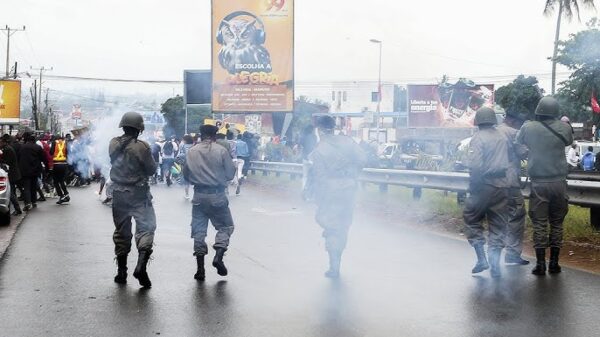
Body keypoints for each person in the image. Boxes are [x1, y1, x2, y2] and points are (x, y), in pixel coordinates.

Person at [517, 96, 573, 276]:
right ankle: (555, 264)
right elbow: (569, 142)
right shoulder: (564, 127)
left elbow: (518, 145)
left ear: (538, 110)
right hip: (559, 183)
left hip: (539, 183)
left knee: (540, 223)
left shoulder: (528, 127)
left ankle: (540, 265)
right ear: (556, 112)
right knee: (557, 223)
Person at [307, 116, 366, 278]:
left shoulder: (319, 150)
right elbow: (362, 159)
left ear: (319, 130)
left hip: (331, 192)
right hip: (350, 189)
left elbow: (320, 178)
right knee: (344, 225)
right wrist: (351, 173)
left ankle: (334, 265)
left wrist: (319, 200)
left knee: (331, 226)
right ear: (333, 127)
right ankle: (337, 258)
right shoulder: (348, 141)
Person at [109, 112, 158, 288]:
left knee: (122, 232)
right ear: (139, 129)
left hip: (118, 193)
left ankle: (121, 272)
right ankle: (140, 267)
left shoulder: (113, 143)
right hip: (138, 193)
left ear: (123, 126)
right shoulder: (142, 147)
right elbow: (151, 169)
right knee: (146, 228)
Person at [183, 125, 236, 281]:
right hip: (217, 195)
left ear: (201, 135)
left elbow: (185, 173)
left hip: (198, 196)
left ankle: (200, 270)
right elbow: (230, 173)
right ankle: (218, 255)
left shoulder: (191, 151)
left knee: (199, 231)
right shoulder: (221, 150)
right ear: (214, 136)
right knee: (225, 226)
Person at [463, 107, 510, 278]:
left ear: (478, 121)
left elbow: (475, 166)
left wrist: (473, 188)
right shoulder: (502, 137)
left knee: (471, 217)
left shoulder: (478, 138)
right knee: (498, 223)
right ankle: (495, 264)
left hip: (484, 185)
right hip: (502, 185)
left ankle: (482, 258)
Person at [496, 111, 529, 266]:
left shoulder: (493, 131)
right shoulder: (513, 133)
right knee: (517, 214)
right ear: (513, 120)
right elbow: (523, 152)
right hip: (508, 182)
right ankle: (512, 253)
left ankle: (493, 254)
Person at [18, 133, 48, 211]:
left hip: (24, 170)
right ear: (34, 140)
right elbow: (43, 158)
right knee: (33, 187)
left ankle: (28, 203)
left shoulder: (22, 147)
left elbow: (18, 158)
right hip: (35, 170)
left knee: (26, 187)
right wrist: (46, 168)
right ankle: (34, 202)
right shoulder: (38, 147)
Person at [0, 135, 22, 215]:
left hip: (12, 174)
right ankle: (16, 208)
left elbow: (6, 162)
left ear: (4, 142)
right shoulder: (7, 148)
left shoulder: (7, 150)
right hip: (13, 173)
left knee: (11, 193)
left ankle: (18, 209)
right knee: (12, 192)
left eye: (1, 142)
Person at [50, 135, 71, 204]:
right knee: (61, 180)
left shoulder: (54, 143)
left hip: (56, 164)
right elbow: (68, 153)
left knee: (56, 182)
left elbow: (51, 152)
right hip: (64, 164)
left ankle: (61, 196)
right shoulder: (66, 143)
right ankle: (66, 195)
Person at [299, 125, 318, 190]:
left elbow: (300, 145)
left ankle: (304, 189)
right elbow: (315, 146)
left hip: (305, 158)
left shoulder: (303, 137)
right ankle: (311, 191)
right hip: (312, 159)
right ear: (312, 130)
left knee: (305, 176)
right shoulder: (314, 137)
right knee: (313, 176)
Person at [177, 134, 194, 199]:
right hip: (193, 164)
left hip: (185, 164)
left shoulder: (182, 145)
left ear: (185, 140)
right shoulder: (193, 146)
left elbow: (180, 154)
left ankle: (187, 195)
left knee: (186, 180)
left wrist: (179, 160)